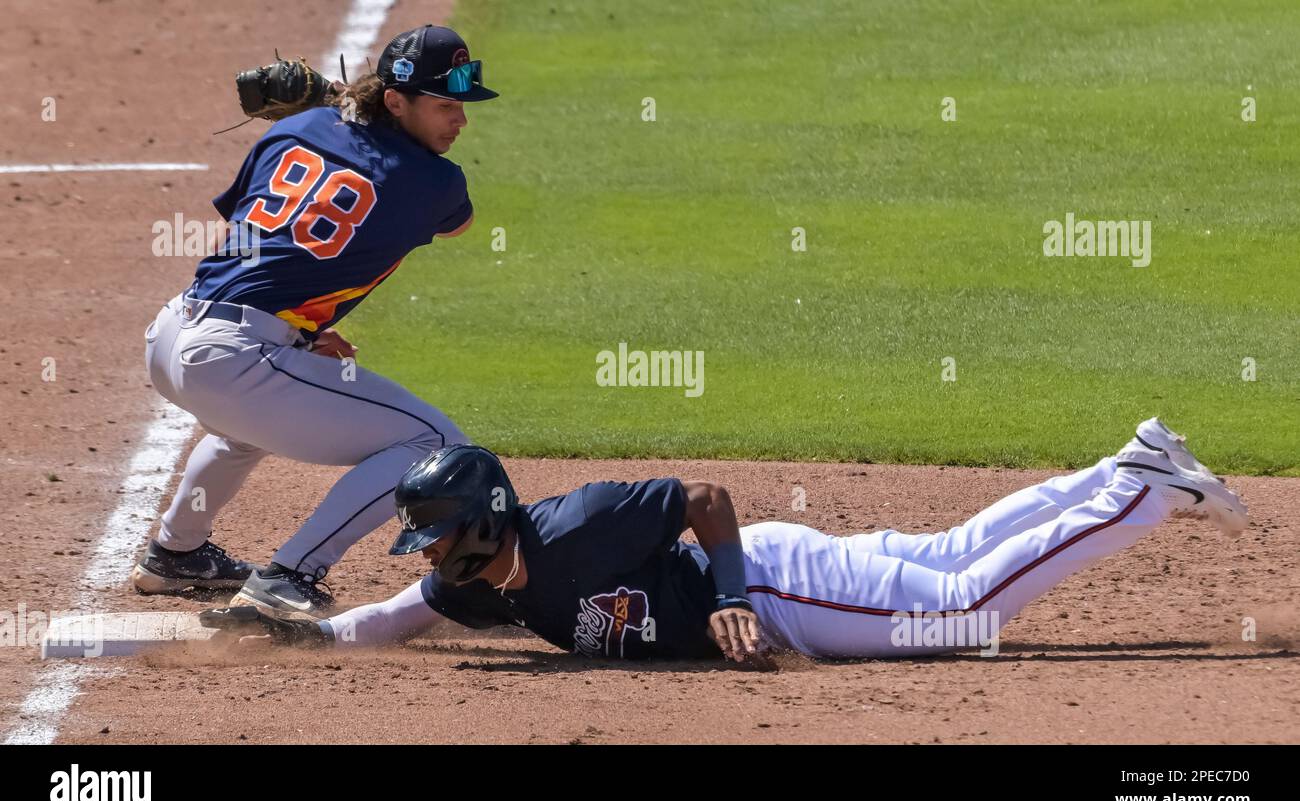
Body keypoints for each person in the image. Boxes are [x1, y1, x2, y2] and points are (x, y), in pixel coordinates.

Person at [204, 418, 1248, 661]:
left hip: (777, 585)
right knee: (946, 554)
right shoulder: (479, 589)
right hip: (780, 574)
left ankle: (1143, 497)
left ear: (480, 523)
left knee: (963, 613)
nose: (422, 554)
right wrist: (319, 636)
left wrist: (739, 600)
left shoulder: (578, 522)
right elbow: (391, 619)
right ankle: (1126, 462)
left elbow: (706, 495)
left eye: (430, 537)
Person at [134, 25, 498, 620]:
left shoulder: (292, 129)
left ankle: (177, 554)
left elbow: (263, 233)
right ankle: (290, 575)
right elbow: (457, 223)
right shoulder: (436, 181)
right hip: (234, 359)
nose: (459, 121)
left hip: (174, 334)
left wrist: (301, 326)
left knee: (243, 427)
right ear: (396, 100)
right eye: (444, 105)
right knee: (431, 443)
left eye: (461, 105)